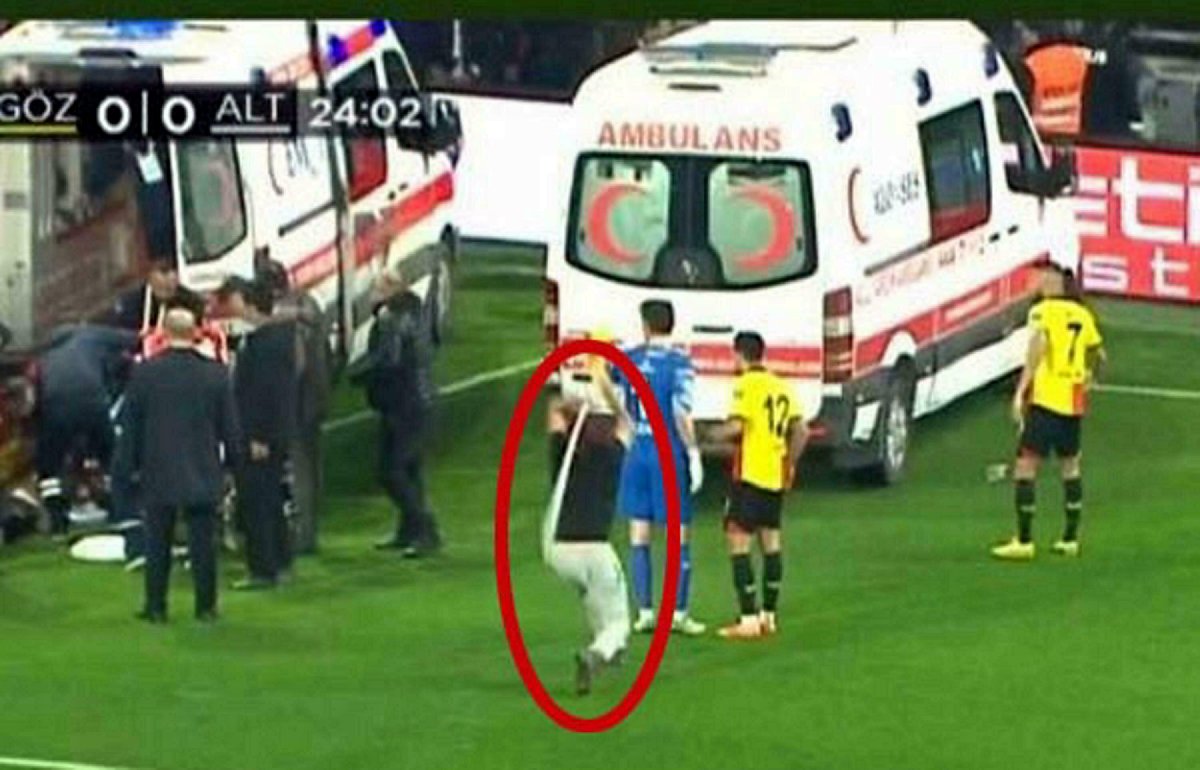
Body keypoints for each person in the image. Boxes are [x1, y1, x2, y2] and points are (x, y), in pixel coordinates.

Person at [594, 299, 705, 636]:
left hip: (638, 451)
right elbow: (680, 413)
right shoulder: (680, 363)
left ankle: (644, 612)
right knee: (677, 534)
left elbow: (602, 378)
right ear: (672, 324)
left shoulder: (630, 358)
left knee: (639, 533)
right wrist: (694, 452)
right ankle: (678, 613)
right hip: (667, 451)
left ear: (645, 324)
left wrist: (622, 415)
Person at [122, 306, 240, 623]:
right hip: (202, 467)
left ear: (163, 333)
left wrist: (127, 469)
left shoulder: (145, 373)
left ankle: (156, 606)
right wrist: (234, 466)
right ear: (195, 333)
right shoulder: (216, 374)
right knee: (203, 542)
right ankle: (206, 607)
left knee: (157, 541)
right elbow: (230, 427)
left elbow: (132, 427)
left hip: (158, 468)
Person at [993, 265, 1105, 561]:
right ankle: (1070, 539)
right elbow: (1099, 353)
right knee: (1070, 467)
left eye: (1041, 278)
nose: (1036, 282)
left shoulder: (1042, 312)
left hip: (1047, 400)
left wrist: (1020, 391)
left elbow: (1038, 347)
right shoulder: (1082, 314)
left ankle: (1024, 540)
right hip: (1073, 401)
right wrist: (1091, 379)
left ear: (1053, 283)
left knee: (1026, 466)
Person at [545, 339, 632, 695]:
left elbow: (554, 411)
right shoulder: (612, 456)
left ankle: (607, 648)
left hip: (558, 551)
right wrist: (603, 387)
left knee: (592, 596)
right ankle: (597, 654)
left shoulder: (561, 454)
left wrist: (573, 400)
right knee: (620, 621)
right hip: (594, 547)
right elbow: (626, 422)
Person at [712, 332, 808, 640]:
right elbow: (802, 431)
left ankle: (748, 619)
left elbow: (737, 426)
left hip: (750, 475)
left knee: (738, 541)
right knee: (771, 542)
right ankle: (769, 615)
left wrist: (708, 436)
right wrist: (789, 463)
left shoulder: (745, 385)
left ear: (739, 355)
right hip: (774, 476)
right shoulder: (781, 386)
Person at [350, 271, 442, 558]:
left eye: (376, 289)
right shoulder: (415, 312)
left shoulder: (391, 318)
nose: (371, 294)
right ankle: (409, 531)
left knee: (392, 470)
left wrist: (357, 373)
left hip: (403, 403)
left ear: (389, 290)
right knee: (409, 469)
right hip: (418, 400)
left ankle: (426, 529)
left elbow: (387, 359)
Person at [219, 277, 298, 590]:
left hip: (260, 438)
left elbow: (265, 395)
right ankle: (281, 560)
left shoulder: (265, 345)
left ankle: (263, 568)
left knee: (257, 502)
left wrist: (259, 437)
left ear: (250, 304)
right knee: (270, 499)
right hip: (269, 434)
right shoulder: (273, 339)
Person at [34, 324, 138, 535]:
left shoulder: (46, 355)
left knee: (49, 463)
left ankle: (57, 520)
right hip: (91, 399)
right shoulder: (90, 335)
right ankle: (118, 510)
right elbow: (132, 339)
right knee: (109, 454)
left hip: (54, 405)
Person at [109, 256, 205, 335]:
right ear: (149, 274)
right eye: (164, 272)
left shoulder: (191, 302)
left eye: (176, 272)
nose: (172, 278)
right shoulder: (130, 302)